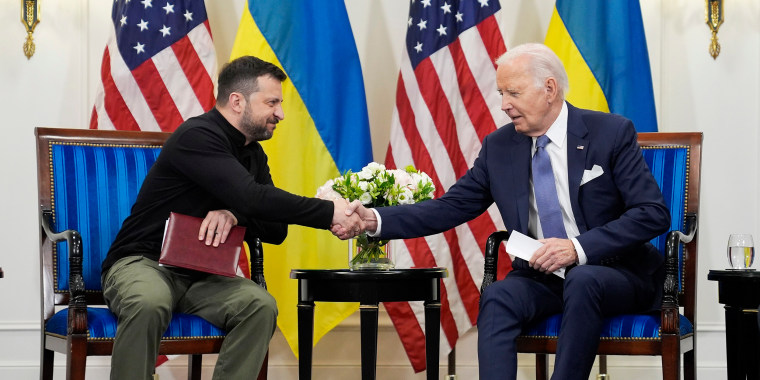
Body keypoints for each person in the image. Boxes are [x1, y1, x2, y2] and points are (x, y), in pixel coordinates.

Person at [338, 43, 670, 380]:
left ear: (549, 89)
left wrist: (576, 249)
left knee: (583, 279)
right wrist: (374, 219)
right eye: (501, 93)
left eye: (513, 92)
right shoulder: (499, 147)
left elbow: (651, 213)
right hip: (543, 278)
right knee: (498, 295)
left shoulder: (609, 132)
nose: (503, 105)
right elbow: (450, 207)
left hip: (613, 274)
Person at [101, 56, 363, 380]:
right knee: (150, 301)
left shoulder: (253, 153)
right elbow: (253, 197)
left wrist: (233, 213)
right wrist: (329, 212)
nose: (280, 113)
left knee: (260, 306)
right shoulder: (197, 136)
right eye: (272, 102)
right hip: (142, 262)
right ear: (237, 101)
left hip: (201, 276)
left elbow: (275, 229)